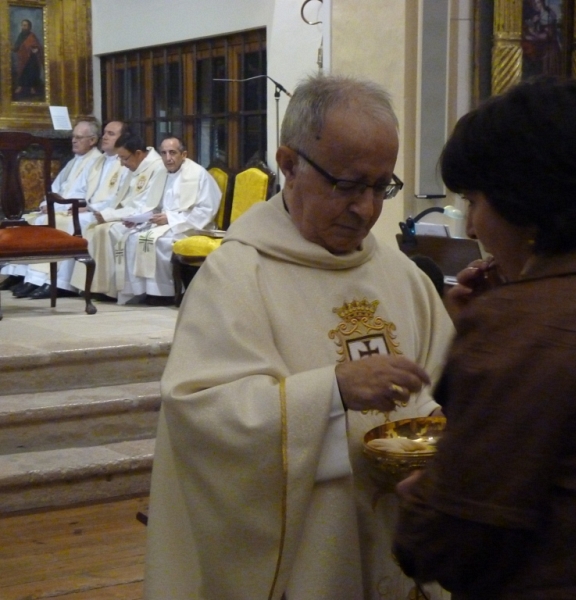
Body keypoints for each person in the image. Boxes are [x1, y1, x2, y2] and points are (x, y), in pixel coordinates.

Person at [144, 74, 454, 600]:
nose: (368, 209)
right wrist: (331, 391)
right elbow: (202, 414)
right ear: (289, 165)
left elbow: (446, 388)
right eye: (349, 185)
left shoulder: (401, 275)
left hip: (398, 532)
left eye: (382, 187)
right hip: (310, 552)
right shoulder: (237, 277)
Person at [393, 77, 576, 599]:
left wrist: (425, 505)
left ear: (523, 203)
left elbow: (454, 541)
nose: (470, 229)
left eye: (473, 200)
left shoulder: (519, 326)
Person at [117, 135, 221, 306]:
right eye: (164, 153)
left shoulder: (198, 174)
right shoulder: (161, 174)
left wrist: (170, 219)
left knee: (160, 242)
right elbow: (153, 205)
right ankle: (144, 290)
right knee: (132, 237)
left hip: (189, 226)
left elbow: (206, 210)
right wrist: (138, 219)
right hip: (165, 223)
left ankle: (165, 293)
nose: (168, 158)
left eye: (172, 153)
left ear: (184, 154)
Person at [5, 118, 102, 299]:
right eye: (73, 137)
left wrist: (74, 207)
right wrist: (45, 204)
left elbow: (92, 194)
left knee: (53, 223)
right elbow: (56, 188)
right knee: (28, 221)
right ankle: (22, 275)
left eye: (79, 137)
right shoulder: (74, 161)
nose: (73, 141)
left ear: (93, 140)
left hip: (73, 209)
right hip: (60, 207)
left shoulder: (97, 162)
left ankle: (53, 281)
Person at [70, 132, 164, 299]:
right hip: (128, 215)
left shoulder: (157, 168)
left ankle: (113, 289)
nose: (121, 163)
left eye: (124, 158)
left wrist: (109, 215)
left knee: (107, 230)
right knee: (95, 227)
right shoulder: (136, 165)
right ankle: (96, 286)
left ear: (138, 153)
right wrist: (99, 211)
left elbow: (144, 206)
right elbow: (119, 197)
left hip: (146, 218)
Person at [12, 19, 44, 98]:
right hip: (23, 57)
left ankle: (32, 87)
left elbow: (38, 46)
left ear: (29, 27)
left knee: (32, 71)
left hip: (31, 58)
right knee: (23, 70)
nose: (23, 27)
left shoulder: (32, 35)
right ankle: (20, 86)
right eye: (22, 25)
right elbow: (17, 46)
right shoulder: (20, 35)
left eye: (25, 25)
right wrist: (13, 48)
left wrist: (36, 49)